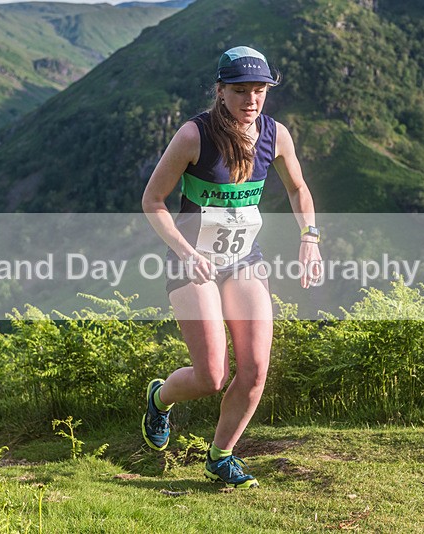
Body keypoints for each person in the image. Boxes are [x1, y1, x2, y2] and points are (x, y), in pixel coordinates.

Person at [141, 46, 323, 488]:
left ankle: (221, 456)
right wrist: (186, 251)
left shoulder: (275, 135)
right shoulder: (194, 136)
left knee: (256, 369)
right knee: (212, 376)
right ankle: (160, 398)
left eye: (260, 90)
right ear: (220, 90)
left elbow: (298, 188)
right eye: (240, 91)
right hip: (192, 261)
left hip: (244, 259)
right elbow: (153, 201)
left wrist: (310, 237)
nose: (251, 100)